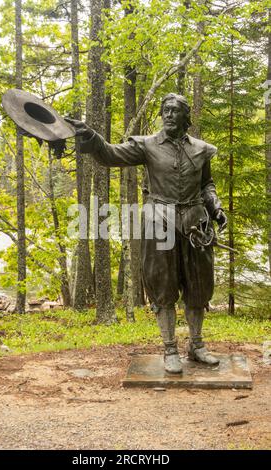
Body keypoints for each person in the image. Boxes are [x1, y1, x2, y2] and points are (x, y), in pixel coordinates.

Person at [67, 93, 227, 374]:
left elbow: (207, 185)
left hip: (195, 223)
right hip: (159, 221)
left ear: (185, 117)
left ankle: (197, 345)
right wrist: (90, 136)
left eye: (175, 111)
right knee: (162, 286)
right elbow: (109, 154)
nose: (168, 115)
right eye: (165, 110)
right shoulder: (147, 146)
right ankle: (169, 349)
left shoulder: (201, 149)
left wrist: (215, 207)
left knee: (198, 286)